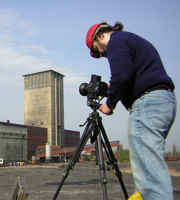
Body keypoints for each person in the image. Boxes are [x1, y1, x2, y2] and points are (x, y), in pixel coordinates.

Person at [85, 21, 177, 200]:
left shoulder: (116, 42)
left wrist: (109, 104)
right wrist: (112, 87)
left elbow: (122, 76)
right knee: (147, 165)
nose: (102, 54)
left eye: (98, 50)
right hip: (162, 102)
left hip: (148, 104)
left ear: (100, 36)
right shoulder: (129, 40)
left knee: (151, 176)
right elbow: (129, 75)